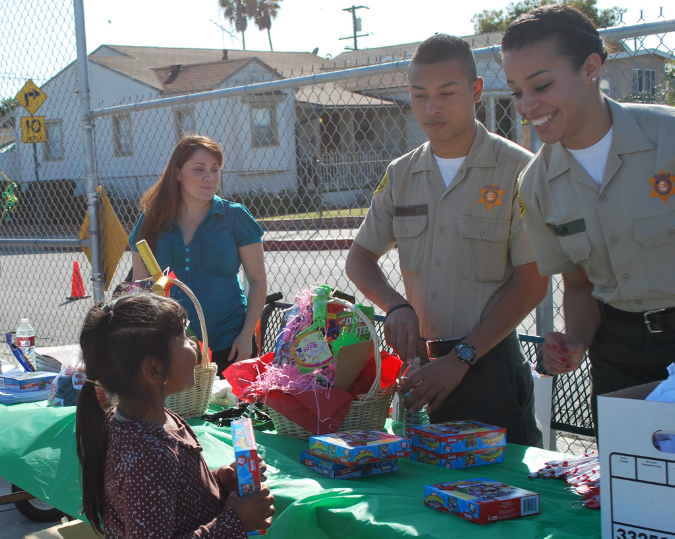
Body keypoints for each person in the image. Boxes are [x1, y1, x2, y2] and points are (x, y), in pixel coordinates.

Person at [345, 34, 549, 447]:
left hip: (488, 370)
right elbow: (359, 259)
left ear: (475, 91)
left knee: (503, 496)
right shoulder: (402, 174)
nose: (431, 108)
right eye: (420, 96)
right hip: (419, 371)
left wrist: (462, 358)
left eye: (446, 93)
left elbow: (533, 281)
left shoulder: (518, 170)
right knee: (426, 499)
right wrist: (397, 306)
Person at [501, 5, 675, 429]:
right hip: (618, 356)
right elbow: (579, 286)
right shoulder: (536, 183)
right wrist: (575, 341)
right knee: (627, 487)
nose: (527, 105)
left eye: (541, 84)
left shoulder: (667, 138)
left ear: (591, 68)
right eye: (517, 91)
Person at [75, 294, 275, 537]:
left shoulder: (150, 420)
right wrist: (236, 521)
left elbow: (173, 497)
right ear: (154, 369)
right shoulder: (147, 456)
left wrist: (218, 483)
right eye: (183, 338)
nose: (193, 344)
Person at [129, 135, 267, 375]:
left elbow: (257, 280)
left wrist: (246, 336)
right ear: (178, 173)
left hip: (230, 344)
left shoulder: (236, 217)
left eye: (215, 170)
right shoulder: (150, 222)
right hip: (171, 348)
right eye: (199, 169)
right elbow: (141, 289)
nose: (210, 177)